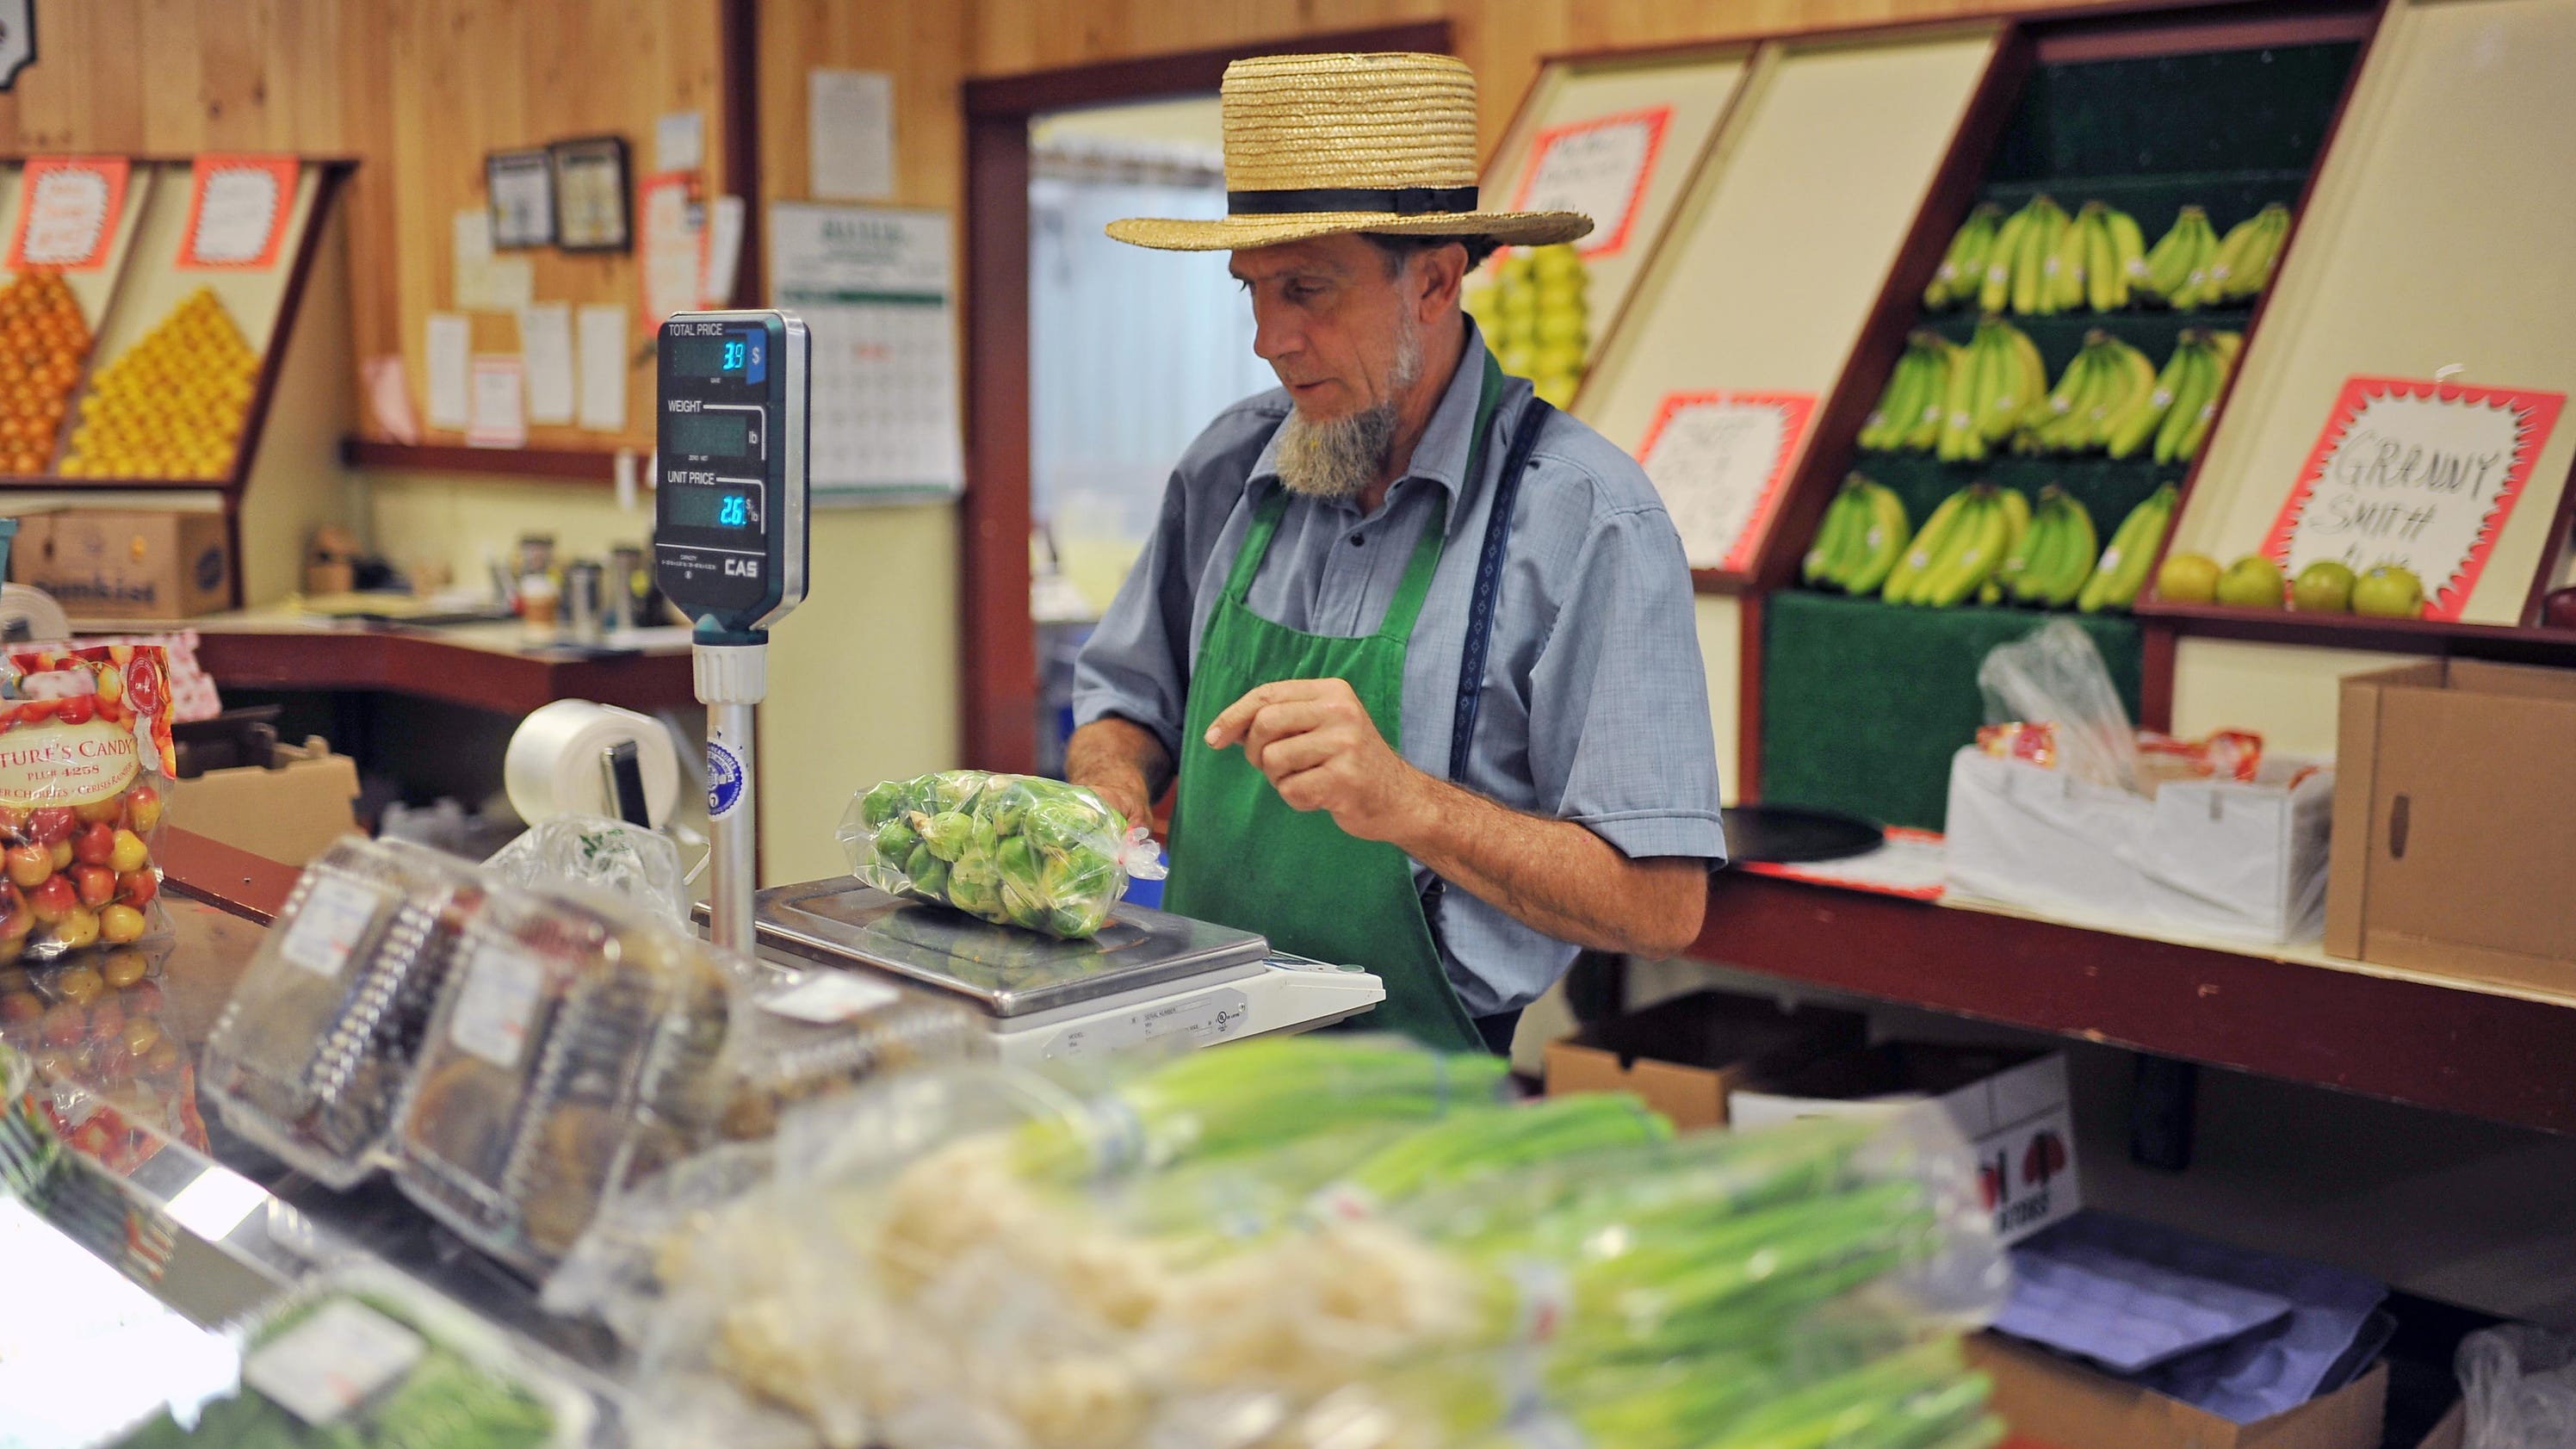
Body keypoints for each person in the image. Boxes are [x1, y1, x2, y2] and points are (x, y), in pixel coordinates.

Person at [1068, 52, 1725, 1054]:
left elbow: (1660, 906)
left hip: (1418, 1090)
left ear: (1433, 279)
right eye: (1251, 290)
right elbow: (1123, 703)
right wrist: (1107, 782)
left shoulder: (1587, 523)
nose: (1268, 339)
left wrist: (1409, 803)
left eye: (1308, 289)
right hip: (1187, 1047)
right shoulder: (1228, 466)